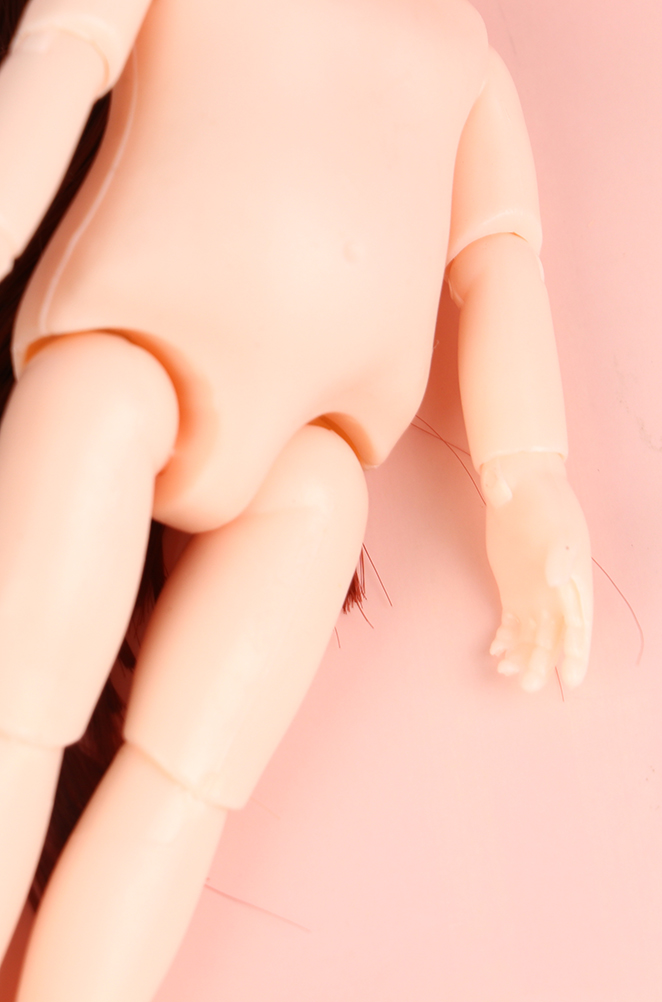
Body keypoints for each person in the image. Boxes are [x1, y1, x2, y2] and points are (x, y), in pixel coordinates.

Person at [0, 1, 593, 999]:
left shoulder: (465, 55)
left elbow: (498, 265)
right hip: (123, 358)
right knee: (20, 701)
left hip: (311, 453)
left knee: (188, 784)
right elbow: (60, 57)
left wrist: (529, 479)